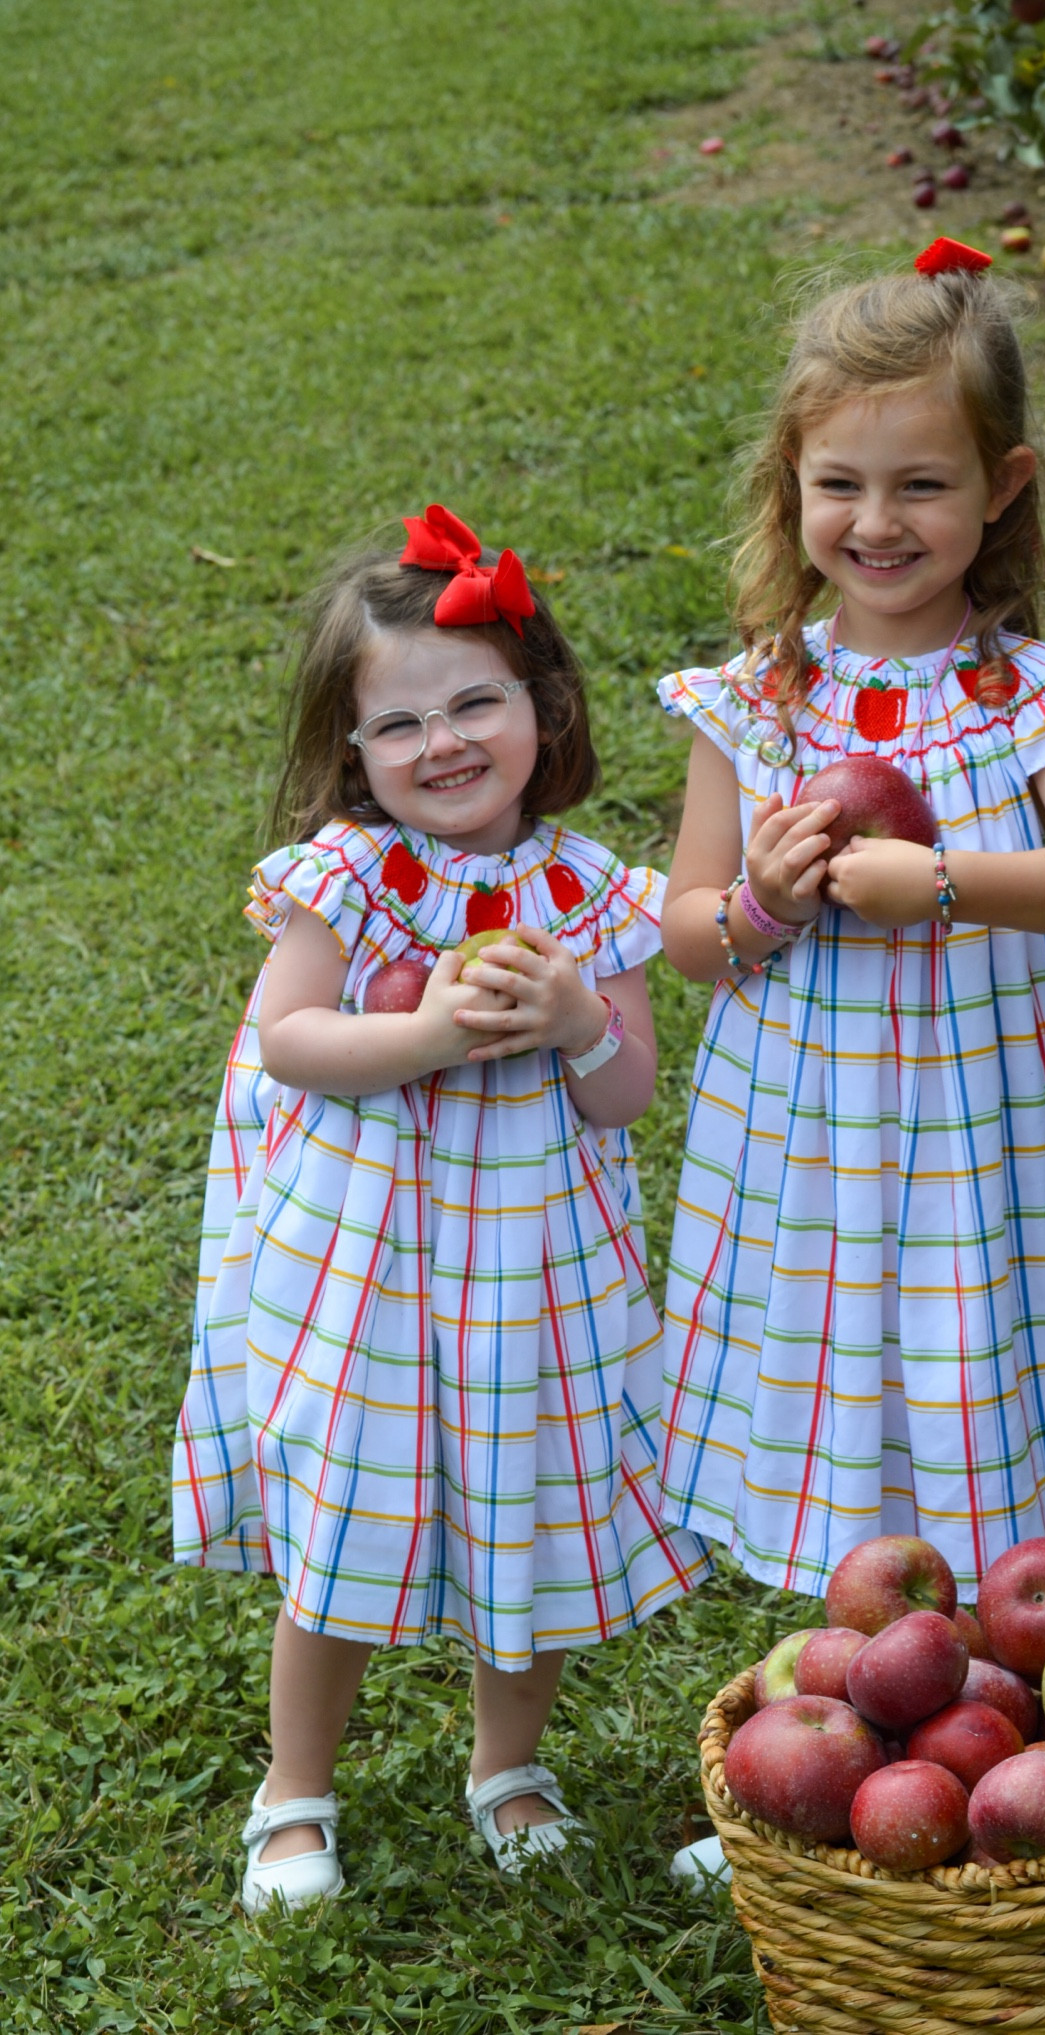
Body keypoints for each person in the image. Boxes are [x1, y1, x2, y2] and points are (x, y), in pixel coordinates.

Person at [657, 240, 1045, 1705]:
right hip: (816, 1154)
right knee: (840, 1400)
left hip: (993, 1149)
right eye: (840, 483)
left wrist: (948, 882)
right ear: (791, 484)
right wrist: (766, 902)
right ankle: (837, 1730)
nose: (878, 521)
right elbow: (684, 933)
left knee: (984, 1385)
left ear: (1005, 486)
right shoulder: (756, 701)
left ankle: (1005, 1715)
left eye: (923, 484)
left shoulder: (1029, 698)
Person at [173, 505, 712, 1915]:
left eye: (476, 702)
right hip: (365, 1273)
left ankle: (508, 1766)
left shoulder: (588, 891)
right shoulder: (347, 881)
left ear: (543, 709)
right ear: (352, 750)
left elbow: (625, 1094)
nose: (444, 744)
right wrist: (416, 1041)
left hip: (534, 1274)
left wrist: (576, 1014)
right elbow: (289, 1039)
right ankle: (293, 1792)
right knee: (343, 1530)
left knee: (523, 1514)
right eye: (399, 724)